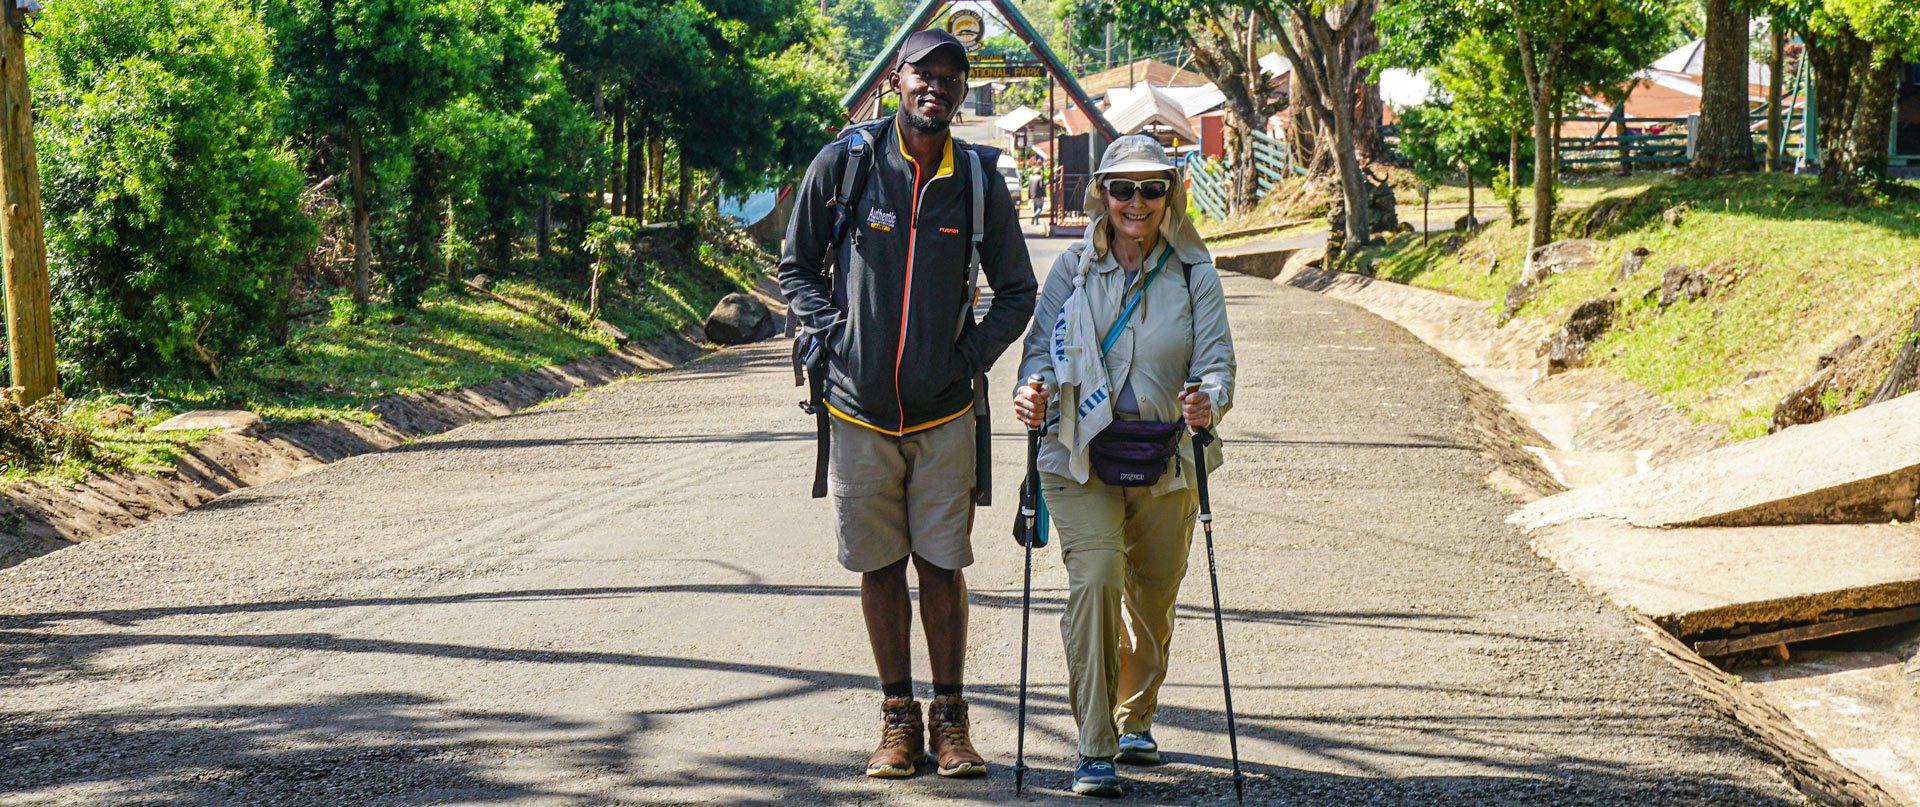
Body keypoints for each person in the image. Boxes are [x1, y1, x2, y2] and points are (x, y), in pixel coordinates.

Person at [779, 28, 1038, 780]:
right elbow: (796, 267)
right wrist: (834, 341)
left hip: (944, 412)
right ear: (897, 78)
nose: (938, 86)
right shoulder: (849, 162)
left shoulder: (980, 179)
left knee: (943, 564)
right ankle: (898, 721)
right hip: (858, 410)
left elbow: (1017, 290)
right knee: (879, 563)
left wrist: (967, 360)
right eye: (925, 73)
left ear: (963, 91)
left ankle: (951, 720)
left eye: (952, 77)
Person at [1011, 135, 1235, 798]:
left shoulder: (1196, 271)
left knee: (1154, 595)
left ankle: (1134, 715)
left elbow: (1218, 362)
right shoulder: (1073, 268)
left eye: (1151, 188)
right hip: (1078, 454)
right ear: (1101, 194)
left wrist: (1208, 399)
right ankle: (1094, 744)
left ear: (1170, 194)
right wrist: (1033, 390)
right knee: (1099, 577)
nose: (1136, 202)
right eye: (1122, 188)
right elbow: (1038, 353)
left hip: (1167, 456)